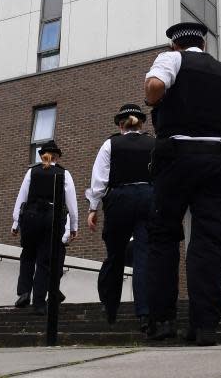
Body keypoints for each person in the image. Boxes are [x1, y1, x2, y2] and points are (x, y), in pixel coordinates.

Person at [144, 21, 221, 346]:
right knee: (210, 238)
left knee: (164, 236)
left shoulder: (171, 60)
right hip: (215, 158)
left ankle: (163, 321)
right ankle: (205, 326)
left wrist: (157, 99)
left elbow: (154, 87)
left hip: (176, 157)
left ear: (175, 46)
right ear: (204, 45)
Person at [86, 104, 156, 332]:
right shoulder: (153, 143)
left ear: (120, 124)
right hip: (148, 198)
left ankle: (110, 307)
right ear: (141, 123)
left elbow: (99, 180)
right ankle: (145, 314)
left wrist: (93, 208)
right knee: (143, 257)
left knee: (114, 255)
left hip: (120, 200)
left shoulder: (110, 144)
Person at [11, 140, 78, 315]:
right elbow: (71, 203)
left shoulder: (32, 172)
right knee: (44, 261)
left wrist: (16, 222)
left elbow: (22, 197)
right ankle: (39, 302)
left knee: (27, 255)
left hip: (30, 216)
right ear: (57, 156)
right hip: (52, 217)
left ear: (42, 156)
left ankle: (24, 292)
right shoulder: (64, 173)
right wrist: (73, 226)